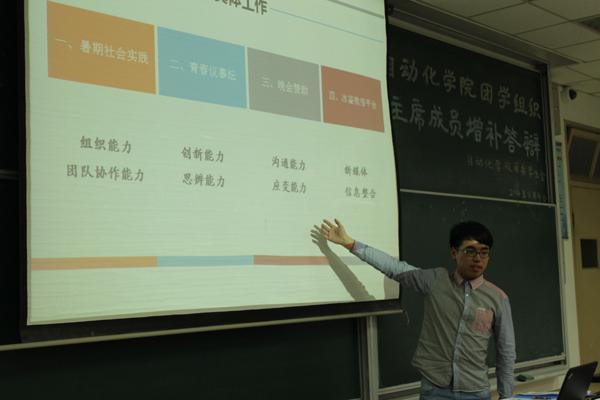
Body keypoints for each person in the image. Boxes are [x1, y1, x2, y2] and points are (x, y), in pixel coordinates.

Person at [320, 218, 516, 400]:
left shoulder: (498, 298)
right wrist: (350, 243)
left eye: (484, 252)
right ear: (454, 253)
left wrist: (506, 396)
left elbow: (506, 350)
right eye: (470, 251)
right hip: (435, 389)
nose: (478, 258)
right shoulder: (435, 281)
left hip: (476, 391)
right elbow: (394, 267)